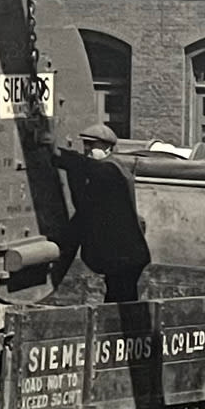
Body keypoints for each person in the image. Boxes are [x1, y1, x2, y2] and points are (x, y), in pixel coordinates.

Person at [65, 125, 150, 303]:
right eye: (85, 144)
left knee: (121, 301)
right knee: (117, 299)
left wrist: (62, 158)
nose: (86, 148)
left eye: (91, 144)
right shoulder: (109, 171)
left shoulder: (111, 171)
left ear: (107, 148)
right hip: (124, 255)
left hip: (125, 255)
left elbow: (85, 168)